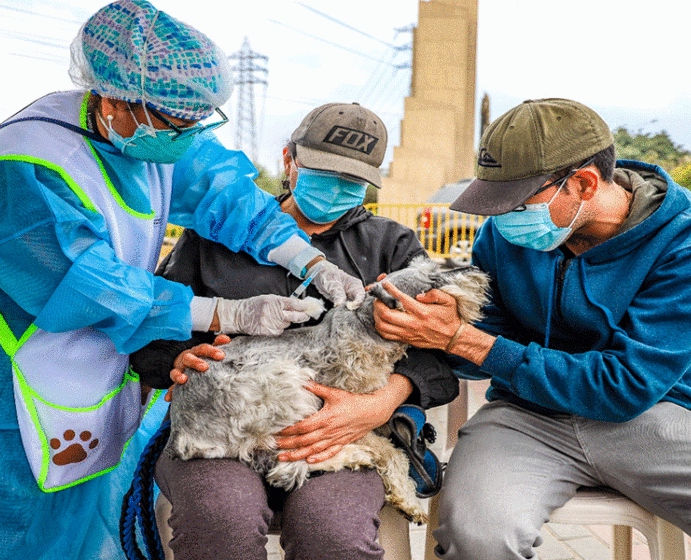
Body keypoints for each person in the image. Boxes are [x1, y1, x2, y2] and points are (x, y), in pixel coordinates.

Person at [0, 2, 367, 559]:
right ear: (115, 99)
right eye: (177, 123)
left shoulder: (154, 133)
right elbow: (81, 282)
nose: (187, 135)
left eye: (197, 121)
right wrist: (230, 314)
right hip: (5, 368)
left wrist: (307, 259)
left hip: (96, 359)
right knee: (3, 528)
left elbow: (228, 195)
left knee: (86, 517)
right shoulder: (18, 165)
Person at [373, 98, 691, 560]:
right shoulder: (503, 235)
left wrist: (463, 339)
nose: (501, 218)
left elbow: (625, 386)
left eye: (516, 204)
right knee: (478, 537)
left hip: (647, 418)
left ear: (584, 182)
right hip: (525, 417)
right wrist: (422, 322)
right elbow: (481, 337)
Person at [129, 102, 460, 560]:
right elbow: (150, 336)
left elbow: (439, 359)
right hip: (222, 436)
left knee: (334, 532)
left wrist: (378, 404)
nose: (338, 190)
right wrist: (174, 362)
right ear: (289, 160)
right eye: (325, 174)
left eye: (353, 181)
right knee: (220, 520)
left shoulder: (391, 246)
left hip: (339, 440)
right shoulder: (216, 233)